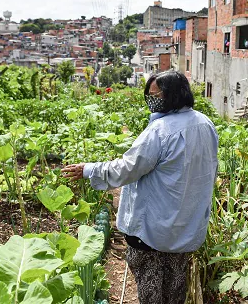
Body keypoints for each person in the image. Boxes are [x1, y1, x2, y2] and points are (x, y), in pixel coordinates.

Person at [62, 71, 218, 304]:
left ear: (173, 95)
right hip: (186, 226)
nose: (152, 101)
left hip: (151, 230)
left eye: (156, 95)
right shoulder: (206, 124)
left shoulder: (160, 131)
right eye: (150, 95)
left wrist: (89, 169)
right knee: (175, 288)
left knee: (151, 290)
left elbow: (128, 168)